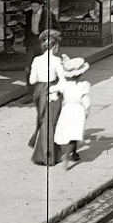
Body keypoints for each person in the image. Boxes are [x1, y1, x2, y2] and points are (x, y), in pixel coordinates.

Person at [28, 30, 70, 165]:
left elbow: (32, 80)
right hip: (52, 91)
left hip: (39, 92)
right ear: (55, 46)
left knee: (43, 120)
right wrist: (56, 89)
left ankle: (42, 153)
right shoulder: (57, 61)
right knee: (52, 122)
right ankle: (50, 155)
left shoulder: (36, 60)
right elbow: (63, 80)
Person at [52, 55, 91, 169]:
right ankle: (67, 155)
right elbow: (86, 102)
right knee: (75, 133)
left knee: (67, 131)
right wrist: (86, 111)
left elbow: (54, 90)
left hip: (67, 109)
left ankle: (72, 154)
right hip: (77, 109)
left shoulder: (65, 85)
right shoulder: (82, 86)